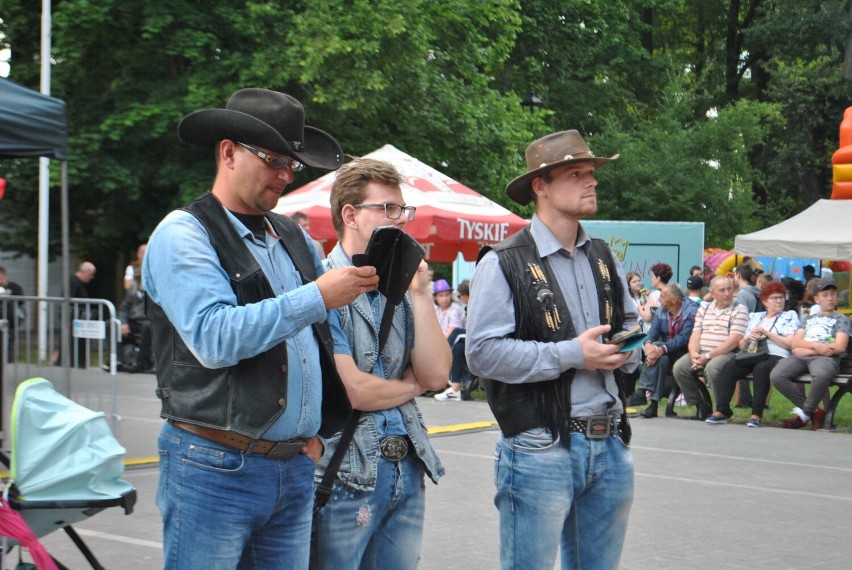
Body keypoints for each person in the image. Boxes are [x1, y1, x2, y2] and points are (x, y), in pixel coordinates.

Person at [142, 88, 378, 569]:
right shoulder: (183, 232)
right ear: (228, 152)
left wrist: (315, 435)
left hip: (289, 466)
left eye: (292, 164)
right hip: (213, 464)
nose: (286, 175)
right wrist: (317, 295)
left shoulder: (293, 236)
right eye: (273, 160)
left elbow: (324, 335)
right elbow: (214, 338)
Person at [466, 130, 639, 570]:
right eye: (576, 173)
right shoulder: (502, 261)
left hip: (610, 439)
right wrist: (574, 354)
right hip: (539, 444)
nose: (592, 181)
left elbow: (631, 323)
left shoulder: (603, 255)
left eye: (592, 173)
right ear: (540, 186)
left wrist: (632, 349)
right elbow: (482, 354)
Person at [315, 157, 450, 569]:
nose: (401, 220)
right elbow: (354, 390)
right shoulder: (320, 286)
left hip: (407, 465)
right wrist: (412, 387)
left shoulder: (403, 286)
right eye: (387, 209)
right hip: (347, 473)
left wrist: (421, 293)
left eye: (403, 210)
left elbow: (439, 374)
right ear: (350, 214)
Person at [705, 281, 799, 427]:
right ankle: (722, 411)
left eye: (781, 297)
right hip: (752, 352)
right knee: (729, 367)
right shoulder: (755, 316)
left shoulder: (790, 315)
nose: (779, 301)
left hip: (776, 353)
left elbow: (789, 343)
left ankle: (756, 414)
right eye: (775, 298)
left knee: (761, 369)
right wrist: (749, 337)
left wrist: (767, 333)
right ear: (765, 301)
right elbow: (741, 344)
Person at [770, 277, 851, 430]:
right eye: (825, 294)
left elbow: (840, 346)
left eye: (833, 294)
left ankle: (804, 415)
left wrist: (811, 349)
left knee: (821, 375)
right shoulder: (808, 319)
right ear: (817, 299)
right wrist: (816, 346)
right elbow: (795, 343)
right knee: (777, 375)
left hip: (826, 358)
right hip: (805, 356)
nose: (830, 298)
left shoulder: (841, 319)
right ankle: (814, 412)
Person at [672, 275, 748, 420]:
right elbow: (695, 334)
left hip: (727, 353)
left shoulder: (740, 309)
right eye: (722, 290)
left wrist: (707, 357)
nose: (727, 293)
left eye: (729, 289)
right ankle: (700, 404)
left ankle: (722, 409)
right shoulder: (704, 308)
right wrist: (694, 354)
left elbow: (734, 340)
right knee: (679, 367)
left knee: (713, 368)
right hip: (701, 351)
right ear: (712, 293)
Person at [625, 283, 698, 418]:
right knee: (661, 359)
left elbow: (684, 338)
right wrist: (648, 346)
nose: (659, 300)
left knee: (659, 350)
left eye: (662, 296)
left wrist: (661, 348)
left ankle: (642, 392)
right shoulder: (662, 310)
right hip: (665, 352)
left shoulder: (691, 310)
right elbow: (652, 333)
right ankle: (653, 405)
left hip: (685, 351)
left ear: (674, 300)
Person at [117, 286, 153, 372]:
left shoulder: (155, 290)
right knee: (111, 325)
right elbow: (123, 309)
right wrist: (123, 323)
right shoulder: (132, 291)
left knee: (147, 326)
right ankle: (117, 360)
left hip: (149, 321)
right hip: (133, 321)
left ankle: (141, 363)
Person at [0, 266, 24, 362]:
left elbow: (21, 301)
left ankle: (7, 364)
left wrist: (7, 295)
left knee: (8, 345)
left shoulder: (14, 287)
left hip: (9, 323)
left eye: (1, 278)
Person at [637, 262, 672, 328]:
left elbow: (648, 317)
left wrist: (640, 309)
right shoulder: (672, 291)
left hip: (655, 332)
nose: (651, 279)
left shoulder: (654, 295)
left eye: (653, 276)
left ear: (658, 278)